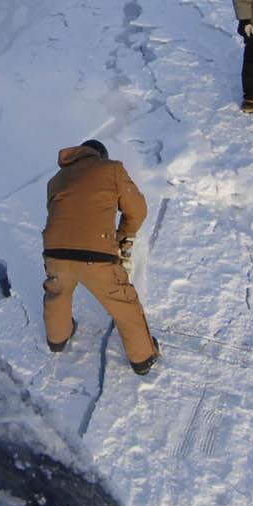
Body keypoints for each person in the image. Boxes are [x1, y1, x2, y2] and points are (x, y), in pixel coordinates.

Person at [42, 139, 159, 375]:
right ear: (101, 156)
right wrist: (124, 236)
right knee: (124, 303)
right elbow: (137, 209)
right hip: (95, 255)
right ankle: (143, 357)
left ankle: (58, 339)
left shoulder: (56, 180)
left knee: (58, 293)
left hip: (54, 252)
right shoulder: (111, 169)